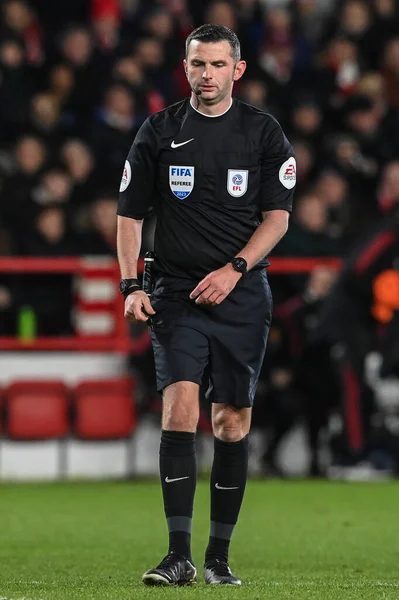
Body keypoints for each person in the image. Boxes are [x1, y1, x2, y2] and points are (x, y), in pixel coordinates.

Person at [116, 24, 295, 586]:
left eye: (218, 65)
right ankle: (178, 555)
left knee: (231, 421)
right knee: (180, 410)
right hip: (175, 293)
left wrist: (235, 269)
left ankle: (218, 558)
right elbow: (129, 215)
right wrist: (130, 286)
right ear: (185, 67)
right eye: (198, 65)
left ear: (237, 70)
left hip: (241, 297)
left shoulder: (263, 133)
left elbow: (278, 217)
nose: (207, 75)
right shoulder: (160, 130)